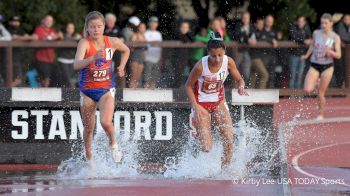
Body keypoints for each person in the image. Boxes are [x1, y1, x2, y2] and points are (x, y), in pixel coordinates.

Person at [73, 11, 130, 168]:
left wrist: (122, 66)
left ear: (104, 26)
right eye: (92, 27)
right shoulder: (84, 43)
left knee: (105, 122)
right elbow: (76, 65)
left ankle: (113, 144)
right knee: (89, 128)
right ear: (88, 28)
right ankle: (89, 159)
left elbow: (126, 50)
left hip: (106, 89)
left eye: (99, 26)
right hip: (87, 91)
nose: (96, 29)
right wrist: (92, 58)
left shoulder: (112, 41)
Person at [185, 32, 248, 168]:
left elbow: (239, 79)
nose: (217, 59)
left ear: (224, 51)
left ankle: (224, 171)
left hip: (219, 102)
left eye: (220, 55)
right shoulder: (200, 66)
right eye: (213, 56)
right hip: (201, 104)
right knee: (207, 147)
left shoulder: (229, 61)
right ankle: (199, 164)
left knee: (229, 141)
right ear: (208, 53)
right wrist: (195, 106)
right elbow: (188, 86)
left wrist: (241, 86)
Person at [301, 13, 341, 120]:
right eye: (322, 23)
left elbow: (339, 54)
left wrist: (330, 52)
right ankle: (316, 81)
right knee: (307, 89)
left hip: (327, 66)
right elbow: (313, 45)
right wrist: (306, 55)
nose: (323, 25)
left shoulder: (335, 37)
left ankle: (320, 113)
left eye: (326, 23)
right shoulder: (316, 33)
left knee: (321, 93)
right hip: (315, 64)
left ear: (331, 24)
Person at [33, 15, 63, 87]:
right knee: (45, 80)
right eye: (47, 20)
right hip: (41, 59)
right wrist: (55, 37)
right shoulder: (39, 29)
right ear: (43, 21)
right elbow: (45, 38)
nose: (49, 22)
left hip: (51, 60)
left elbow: (60, 37)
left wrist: (58, 36)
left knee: (56, 78)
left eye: (51, 21)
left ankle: (49, 96)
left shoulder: (52, 30)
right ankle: (43, 97)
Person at [288, 16, 312, 88]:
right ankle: (291, 94)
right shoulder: (293, 27)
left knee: (299, 76)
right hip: (293, 55)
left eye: (302, 21)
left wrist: (305, 40)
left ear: (304, 22)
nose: (300, 23)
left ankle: (298, 94)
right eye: (299, 21)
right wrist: (304, 40)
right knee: (292, 75)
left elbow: (310, 38)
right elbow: (294, 36)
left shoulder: (306, 28)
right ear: (297, 21)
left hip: (302, 55)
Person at [56, 22, 82, 87]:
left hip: (72, 60)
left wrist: (79, 38)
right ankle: (73, 94)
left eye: (72, 28)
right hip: (63, 59)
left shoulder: (77, 36)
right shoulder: (62, 36)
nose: (70, 29)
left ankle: (68, 95)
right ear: (66, 28)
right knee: (68, 79)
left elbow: (82, 39)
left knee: (70, 79)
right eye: (69, 28)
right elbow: (59, 38)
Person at [144, 16, 162, 88]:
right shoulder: (146, 33)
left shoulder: (159, 34)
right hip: (148, 58)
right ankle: (145, 89)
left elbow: (161, 46)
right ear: (149, 23)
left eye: (155, 22)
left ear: (157, 24)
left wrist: (161, 56)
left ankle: (152, 89)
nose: (153, 24)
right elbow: (144, 45)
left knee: (155, 76)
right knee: (147, 75)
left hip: (157, 58)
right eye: (152, 22)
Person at [334, 13, 350, 87]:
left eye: (349, 19)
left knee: (346, 71)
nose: (347, 21)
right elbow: (344, 36)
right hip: (340, 54)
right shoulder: (340, 25)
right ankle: (338, 90)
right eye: (345, 19)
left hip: (346, 54)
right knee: (340, 70)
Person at [129, 22, 146, 88]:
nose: (143, 29)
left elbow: (145, 48)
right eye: (141, 27)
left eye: (144, 28)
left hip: (141, 56)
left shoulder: (144, 36)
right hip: (135, 55)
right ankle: (131, 88)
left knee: (138, 75)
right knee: (134, 74)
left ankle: (135, 87)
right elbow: (132, 46)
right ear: (138, 28)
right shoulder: (134, 35)